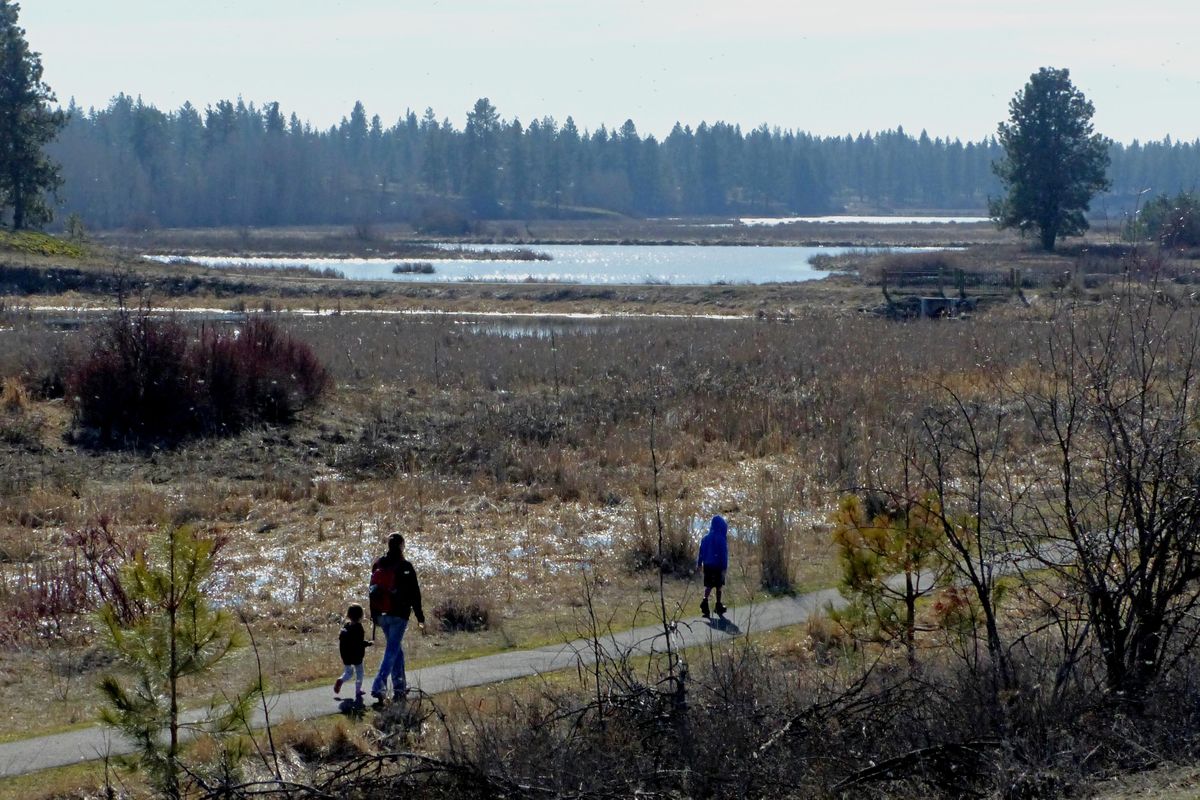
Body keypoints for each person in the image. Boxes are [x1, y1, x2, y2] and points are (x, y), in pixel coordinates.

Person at [369, 532, 426, 702]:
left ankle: (400, 689)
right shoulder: (405, 566)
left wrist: (373, 615)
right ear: (402, 545)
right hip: (398, 614)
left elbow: (371, 590)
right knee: (392, 650)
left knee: (397, 650)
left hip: (381, 614)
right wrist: (420, 617)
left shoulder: (378, 563)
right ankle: (378, 685)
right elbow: (415, 594)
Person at [334, 603, 372, 702]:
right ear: (361, 615)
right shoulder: (359, 628)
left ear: (348, 615)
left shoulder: (346, 626)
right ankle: (358, 690)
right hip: (356, 656)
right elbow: (359, 643)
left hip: (345, 655)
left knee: (348, 672)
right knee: (359, 672)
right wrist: (368, 643)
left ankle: (341, 680)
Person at [697, 515, 729, 618]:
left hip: (707, 565)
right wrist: (724, 567)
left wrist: (699, 563)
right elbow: (723, 554)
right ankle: (718, 605)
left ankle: (705, 602)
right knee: (719, 586)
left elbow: (701, 552)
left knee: (709, 585)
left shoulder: (705, 538)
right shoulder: (721, 539)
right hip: (718, 565)